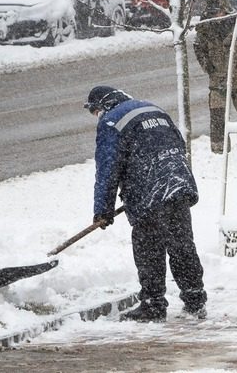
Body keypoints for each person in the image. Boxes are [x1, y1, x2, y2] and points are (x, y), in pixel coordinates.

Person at [85, 86, 207, 322]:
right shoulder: (153, 109)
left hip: (148, 188)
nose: (96, 117)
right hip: (177, 182)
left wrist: (103, 210)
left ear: (102, 106)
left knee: (148, 247)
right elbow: (177, 145)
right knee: (181, 244)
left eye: (95, 112)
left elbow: (108, 168)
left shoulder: (111, 120)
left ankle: (152, 305)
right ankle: (195, 299)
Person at [194, 0, 237, 154]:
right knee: (217, 116)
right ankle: (219, 150)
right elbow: (198, 48)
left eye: (218, 11)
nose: (215, 15)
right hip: (218, 79)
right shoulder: (205, 27)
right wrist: (208, 66)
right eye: (212, 12)